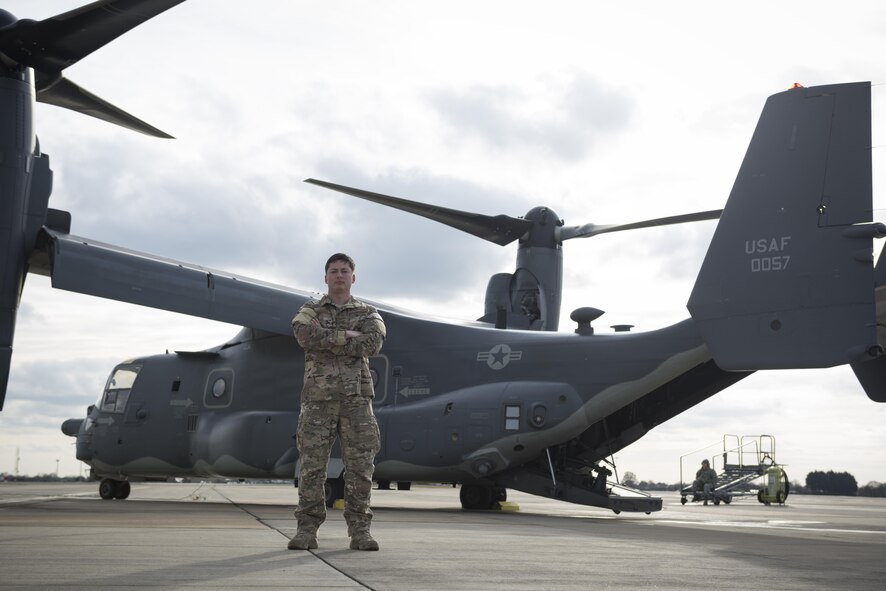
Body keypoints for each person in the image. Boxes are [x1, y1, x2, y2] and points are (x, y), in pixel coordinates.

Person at [288, 253, 386, 551]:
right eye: (334, 271)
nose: (339, 275)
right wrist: (348, 336)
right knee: (312, 467)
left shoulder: (368, 312)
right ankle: (306, 530)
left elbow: (374, 341)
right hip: (318, 399)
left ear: (353, 277)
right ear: (326, 277)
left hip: (356, 400)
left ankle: (360, 531)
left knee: (360, 468)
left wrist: (327, 337)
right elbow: (303, 334)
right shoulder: (310, 308)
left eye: (345, 271)